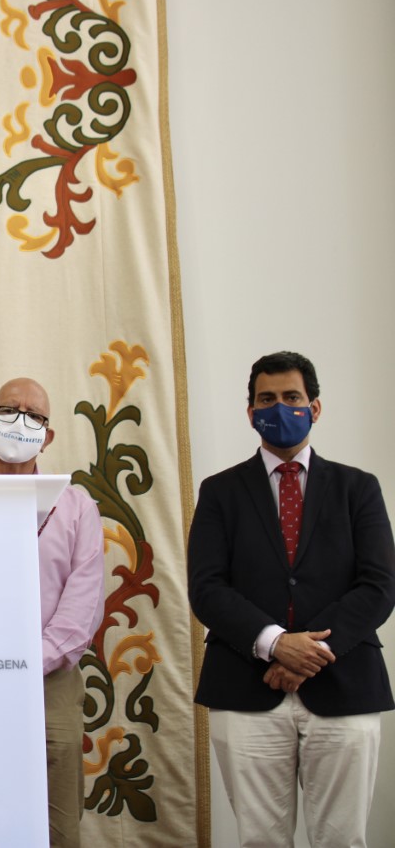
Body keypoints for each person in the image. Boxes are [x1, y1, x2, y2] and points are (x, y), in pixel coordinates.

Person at [188, 351, 395, 848]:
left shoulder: (358, 488)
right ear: (250, 411)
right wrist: (276, 643)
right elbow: (207, 587)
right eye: (267, 399)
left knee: (343, 839)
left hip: (345, 686)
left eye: (291, 398)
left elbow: (379, 585)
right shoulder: (219, 492)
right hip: (245, 687)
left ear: (315, 408)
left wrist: (309, 654)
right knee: (260, 840)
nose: (279, 408)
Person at [0, 377, 103, 848]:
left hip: (50, 684)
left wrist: (26, 660)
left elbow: (82, 607)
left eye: (35, 416)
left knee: (57, 824)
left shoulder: (76, 505)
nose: (20, 421)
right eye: (8, 410)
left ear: (47, 437)